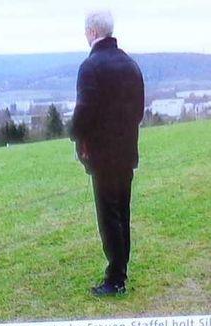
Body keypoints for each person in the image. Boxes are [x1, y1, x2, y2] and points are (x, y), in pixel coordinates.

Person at [71, 10, 145, 296]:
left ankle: (115, 278)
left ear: (91, 32)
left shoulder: (90, 67)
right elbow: (138, 112)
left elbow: (84, 111)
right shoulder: (131, 65)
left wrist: (76, 136)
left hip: (101, 154)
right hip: (126, 150)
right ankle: (121, 270)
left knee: (108, 215)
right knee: (122, 211)